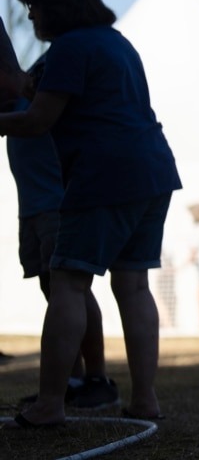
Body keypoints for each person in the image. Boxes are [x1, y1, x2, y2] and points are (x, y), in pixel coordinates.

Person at [0, 0, 181, 427]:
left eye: (35, 7)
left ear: (57, 6)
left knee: (66, 284)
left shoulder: (70, 47)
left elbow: (38, 121)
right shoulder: (116, 44)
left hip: (104, 176)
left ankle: (50, 404)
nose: (30, 18)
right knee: (133, 285)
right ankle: (145, 400)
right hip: (154, 171)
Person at [8, 54, 118, 409]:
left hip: (59, 203)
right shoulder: (17, 96)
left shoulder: (47, 90)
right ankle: (72, 378)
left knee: (73, 288)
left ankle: (98, 378)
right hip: (33, 208)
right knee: (51, 288)